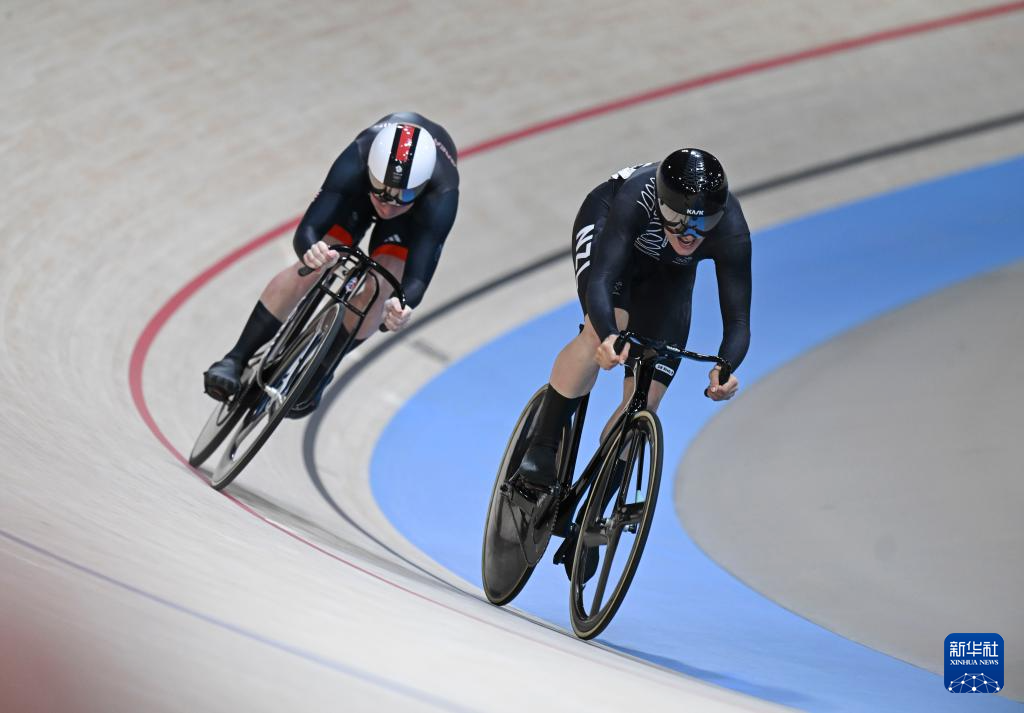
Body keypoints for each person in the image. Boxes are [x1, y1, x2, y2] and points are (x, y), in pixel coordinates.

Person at [516, 148, 752, 492]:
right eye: (677, 218)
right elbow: (601, 280)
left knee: (648, 400)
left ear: (717, 216)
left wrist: (726, 366)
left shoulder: (730, 227)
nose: (689, 234)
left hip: (670, 274)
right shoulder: (636, 198)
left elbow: (739, 322)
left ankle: (591, 517)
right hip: (609, 231)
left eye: (703, 224)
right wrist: (610, 335)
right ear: (660, 204)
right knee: (602, 333)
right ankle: (541, 445)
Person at [203, 112, 459, 417]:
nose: (388, 205)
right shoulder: (357, 158)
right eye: (381, 192)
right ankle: (236, 358)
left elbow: (418, 277)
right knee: (315, 261)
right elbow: (308, 229)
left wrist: (400, 306)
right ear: (369, 172)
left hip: (409, 222)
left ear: (422, 187)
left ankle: (322, 369)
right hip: (356, 198)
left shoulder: (441, 195)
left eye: (402, 196)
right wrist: (312, 252)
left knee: (383, 283)